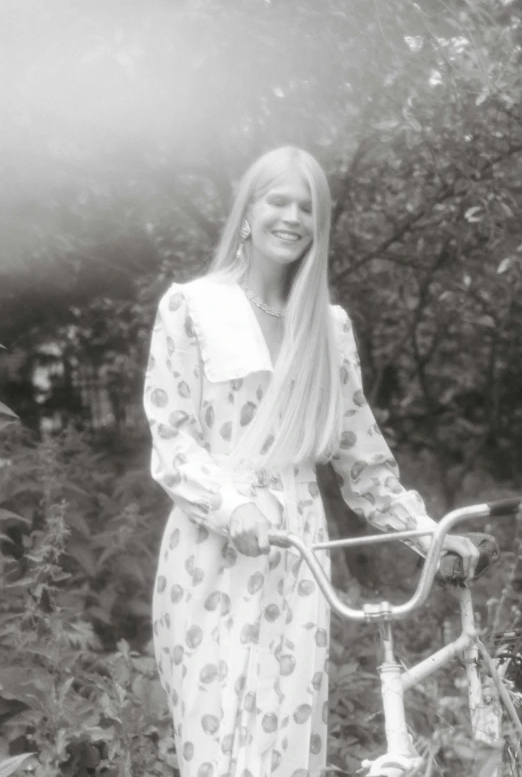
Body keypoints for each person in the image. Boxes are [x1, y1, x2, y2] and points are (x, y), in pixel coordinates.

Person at [143, 146, 479, 777]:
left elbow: (364, 459)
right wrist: (231, 504)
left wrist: (431, 539)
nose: (292, 216)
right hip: (212, 548)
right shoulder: (190, 306)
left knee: (286, 742)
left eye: (308, 207)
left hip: (299, 555)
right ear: (248, 209)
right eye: (278, 200)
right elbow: (173, 435)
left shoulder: (329, 327)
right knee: (218, 749)